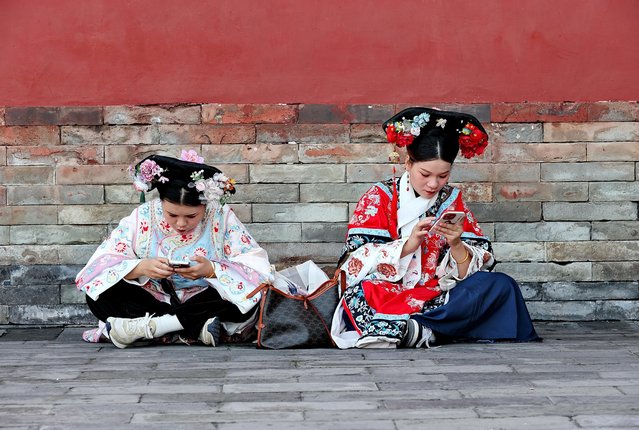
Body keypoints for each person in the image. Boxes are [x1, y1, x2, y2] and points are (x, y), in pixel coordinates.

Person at [331, 107, 540, 349]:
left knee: (502, 286)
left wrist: (456, 244)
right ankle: (432, 329)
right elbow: (351, 264)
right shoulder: (379, 197)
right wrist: (407, 246)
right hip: (389, 290)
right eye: (425, 174)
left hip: (437, 292)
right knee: (364, 293)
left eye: (443, 176)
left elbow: (474, 268)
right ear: (408, 163)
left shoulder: (452, 200)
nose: (433, 184)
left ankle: (419, 329)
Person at [75, 150, 274, 348]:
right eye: (172, 215)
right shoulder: (142, 215)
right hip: (155, 298)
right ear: (161, 202)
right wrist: (142, 268)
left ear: (205, 207)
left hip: (203, 298)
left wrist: (211, 270)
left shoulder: (220, 215)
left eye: (191, 216)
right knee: (99, 293)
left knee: (252, 292)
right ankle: (194, 328)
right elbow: (102, 262)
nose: (180, 224)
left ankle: (152, 327)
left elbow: (254, 265)